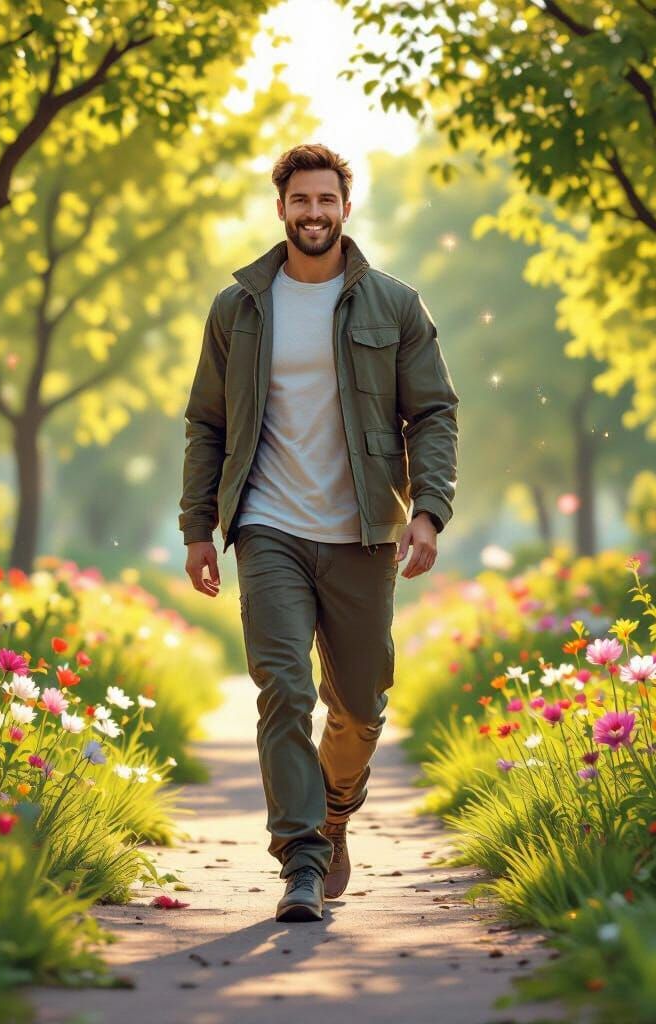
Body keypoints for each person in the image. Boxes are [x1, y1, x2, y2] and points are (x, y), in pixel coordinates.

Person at [179, 142, 459, 923]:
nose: (313, 213)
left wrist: (429, 509)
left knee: (361, 706)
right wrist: (198, 525)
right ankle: (300, 861)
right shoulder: (238, 308)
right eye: (300, 200)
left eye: (325, 200)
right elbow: (207, 423)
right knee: (283, 689)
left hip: (362, 530)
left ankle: (335, 811)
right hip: (266, 524)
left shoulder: (395, 305)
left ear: (345, 208)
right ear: (280, 209)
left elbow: (434, 414)